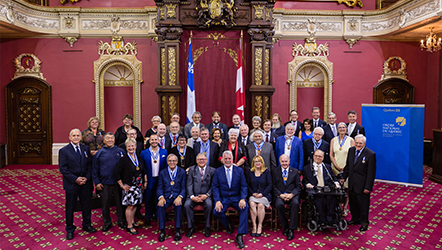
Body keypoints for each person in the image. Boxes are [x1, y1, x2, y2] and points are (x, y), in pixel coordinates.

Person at [59, 129, 96, 240]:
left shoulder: (85, 148)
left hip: (85, 183)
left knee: (86, 205)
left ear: (80, 137)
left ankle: (87, 225)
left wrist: (87, 178)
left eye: (78, 135)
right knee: (70, 207)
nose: (76, 137)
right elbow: (63, 169)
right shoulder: (64, 151)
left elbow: (90, 165)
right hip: (72, 184)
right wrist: (76, 179)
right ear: (70, 137)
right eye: (73, 135)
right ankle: (70, 229)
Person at [212, 151, 248, 249]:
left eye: (229, 159)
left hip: (236, 198)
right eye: (226, 159)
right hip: (224, 198)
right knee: (216, 211)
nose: (227, 160)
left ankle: (240, 235)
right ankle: (228, 224)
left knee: (245, 207)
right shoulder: (218, 171)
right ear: (223, 160)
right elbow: (215, 187)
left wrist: (242, 198)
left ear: (232, 160)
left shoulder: (239, 170)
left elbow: (244, 186)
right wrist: (217, 201)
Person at [340, 134, 376, 232]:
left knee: (363, 205)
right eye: (357, 142)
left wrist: (368, 187)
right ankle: (355, 219)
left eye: (360, 143)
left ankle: (364, 223)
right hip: (352, 183)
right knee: (353, 203)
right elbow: (348, 167)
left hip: (363, 185)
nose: (358, 145)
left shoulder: (370, 154)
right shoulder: (351, 151)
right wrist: (343, 178)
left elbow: (371, 173)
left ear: (364, 143)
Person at [92, 132, 126, 231]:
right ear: (104, 140)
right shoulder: (99, 153)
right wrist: (97, 182)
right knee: (105, 204)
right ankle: (107, 222)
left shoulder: (121, 151)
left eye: (112, 138)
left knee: (120, 203)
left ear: (114, 140)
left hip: (118, 183)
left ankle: (121, 220)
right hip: (104, 183)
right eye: (108, 138)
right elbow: (94, 170)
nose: (110, 140)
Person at [114, 138, 147, 235]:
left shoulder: (139, 157)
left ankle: (132, 221)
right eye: (129, 146)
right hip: (129, 187)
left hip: (138, 186)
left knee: (135, 205)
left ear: (136, 146)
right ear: (126, 147)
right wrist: (122, 185)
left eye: (132, 146)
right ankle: (129, 226)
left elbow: (143, 170)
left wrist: (145, 181)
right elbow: (116, 173)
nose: (131, 148)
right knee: (130, 206)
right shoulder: (123, 159)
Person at [303, 149, 341, 227]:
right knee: (320, 200)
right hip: (316, 191)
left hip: (327, 190)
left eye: (320, 156)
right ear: (313, 157)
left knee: (332, 199)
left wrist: (337, 183)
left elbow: (333, 177)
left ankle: (330, 219)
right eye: (316, 156)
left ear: (323, 158)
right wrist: (308, 184)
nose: (318, 158)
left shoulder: (327, 167)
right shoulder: (307, 168)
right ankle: (322, 220)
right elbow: (305, 180)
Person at [184, 153, 215, 238]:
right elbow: (189, 184)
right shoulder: (191, 170)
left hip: (206, 195)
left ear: (206, 160)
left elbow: (214, 185)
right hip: (193, 195)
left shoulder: (212, 170)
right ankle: (191, 227)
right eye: (199, 159)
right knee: (187, 205)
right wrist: (192, 196)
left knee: (209, 205)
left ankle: (207, 226)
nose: (201, 161)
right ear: (196, 161)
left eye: (203, 159)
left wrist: (207, 195)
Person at [157, 154, 187, 242]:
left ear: (177, 162)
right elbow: (159, 187)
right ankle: (162, 231)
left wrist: (180, 197)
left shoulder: (182, 172)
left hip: (177, 196)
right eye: (170, 161)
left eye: (174, 161)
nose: (172, 162)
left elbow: (184, 187)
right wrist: (161, 197)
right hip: (166, 197)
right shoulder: (162, 172)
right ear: (167, 162)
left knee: (178, 206)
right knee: (160, 206)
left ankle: (177, 230)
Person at [140, 133, 168, 225]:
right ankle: (148, 217)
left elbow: (166, 167)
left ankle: (158, 216)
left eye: (156, 139)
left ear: (158, 141)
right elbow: (142, 168)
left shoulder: (164, 152)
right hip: (149, 178)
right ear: (149, 141)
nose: (154, 141)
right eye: (152, 140)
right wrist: (145, 180)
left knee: (158, 197)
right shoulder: (144, 153)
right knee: (148, 198)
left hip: (160, 179)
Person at [272, 154, 301, 241]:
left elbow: (299, 186)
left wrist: (292, 194)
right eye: (282, 161)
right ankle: (285, 226)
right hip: (280, 195)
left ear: (289, 161)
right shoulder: (274, 171)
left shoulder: (295, 171)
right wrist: (280, 195)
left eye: (286, 161)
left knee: (295, 204)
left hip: (292, 195)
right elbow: (273, 186)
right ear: (280, 162)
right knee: (278, 205)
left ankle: (291, 229)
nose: (284, 163)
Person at [330, 122, 355, 217]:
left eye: (343, 127)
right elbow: (331, 154)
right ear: (337, 129)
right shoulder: (333, 140)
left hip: (347, 169)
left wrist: (346, 167)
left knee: (346, 190)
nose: (342, 129)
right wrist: (336, 165)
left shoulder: (351, 140)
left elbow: (352, 155)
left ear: (346, 129)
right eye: (340, 127)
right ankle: (336, 207)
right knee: (336, 189)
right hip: (335, 168)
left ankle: (344, 208)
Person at [246, 155, 272, 237]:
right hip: (253, 195)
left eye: (259, 161)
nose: (257, 163)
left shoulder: (266, 172)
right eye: (256, 161)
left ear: (262, 163)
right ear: (253, 163)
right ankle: (254, 225)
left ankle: (260, 225)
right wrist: (252, 193)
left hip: (264, 195)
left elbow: (270, 185)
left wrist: (262, 194)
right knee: (252, 204)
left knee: (260, 205)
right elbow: (247, 185)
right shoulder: (250, 172)